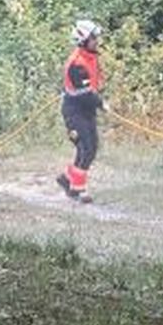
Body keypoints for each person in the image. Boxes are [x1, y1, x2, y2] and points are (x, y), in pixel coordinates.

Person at [57, 19, 105, 203]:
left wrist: (98, 101)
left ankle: (67, 179)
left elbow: (93, 85)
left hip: (87, 110)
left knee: (91, 148)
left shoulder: (91, 57)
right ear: (83, 40)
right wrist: (102, 104)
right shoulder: (77, 63)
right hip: (74, 112)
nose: (96, 41)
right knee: (86, 148)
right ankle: (78, 190)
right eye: (93, 38)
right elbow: (85, 93)